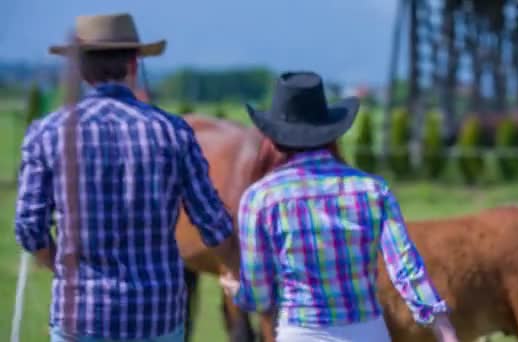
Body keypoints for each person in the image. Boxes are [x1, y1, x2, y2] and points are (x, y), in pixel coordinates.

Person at [14, 13, 239, 341]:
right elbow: (212, 222)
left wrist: (62, 268)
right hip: (157, 318)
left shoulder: (47, 133)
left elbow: (29, 229)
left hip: (81, 317)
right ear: (134, 63)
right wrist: (235, 268)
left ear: (80, 69)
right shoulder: (172, 131)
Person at [219, 71, 459, 342]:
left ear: (275, 138)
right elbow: (405, 267)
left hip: (301, 332)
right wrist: (444, 328)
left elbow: (260, 295)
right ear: (331, 132)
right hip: (368, 331)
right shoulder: (373, 190)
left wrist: (239, 290)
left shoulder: (260, 198)